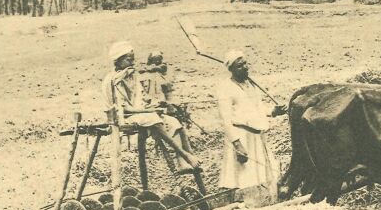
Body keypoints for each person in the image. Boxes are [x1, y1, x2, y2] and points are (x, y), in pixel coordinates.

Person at [102, 40, 201, 176]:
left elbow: (141, 101)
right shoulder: (114, 80)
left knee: (174, 122)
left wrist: (153, 106)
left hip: (140, 114)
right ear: (118, 61)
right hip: (123, 117)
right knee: (153, 118)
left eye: (133, 60)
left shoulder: (132, 76)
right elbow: (124, 109)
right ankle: (185, 155)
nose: (132, 63)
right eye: (128, 60)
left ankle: (183, 162)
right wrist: (149, 110)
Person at [216, 49, 288, 192]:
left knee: (262, 176)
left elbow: (257, 108)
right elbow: (226, 119)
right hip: (241, 136)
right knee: (243, 178)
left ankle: (263, 199)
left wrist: (273, 111)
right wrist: (237, 144)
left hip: (256, 134)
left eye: (245, 64)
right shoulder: (225, 88)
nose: (245, 68)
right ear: (231, 69)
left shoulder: (251, 85)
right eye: (239, 66)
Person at [138, 49, 192, 151]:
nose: (157, 62)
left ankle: (184, 150)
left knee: (177, 122)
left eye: (159, 59)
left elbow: (166, 83)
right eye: (155, 60)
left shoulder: (162, 71)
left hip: (166, 103)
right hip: (154, 105)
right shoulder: (147, 75)